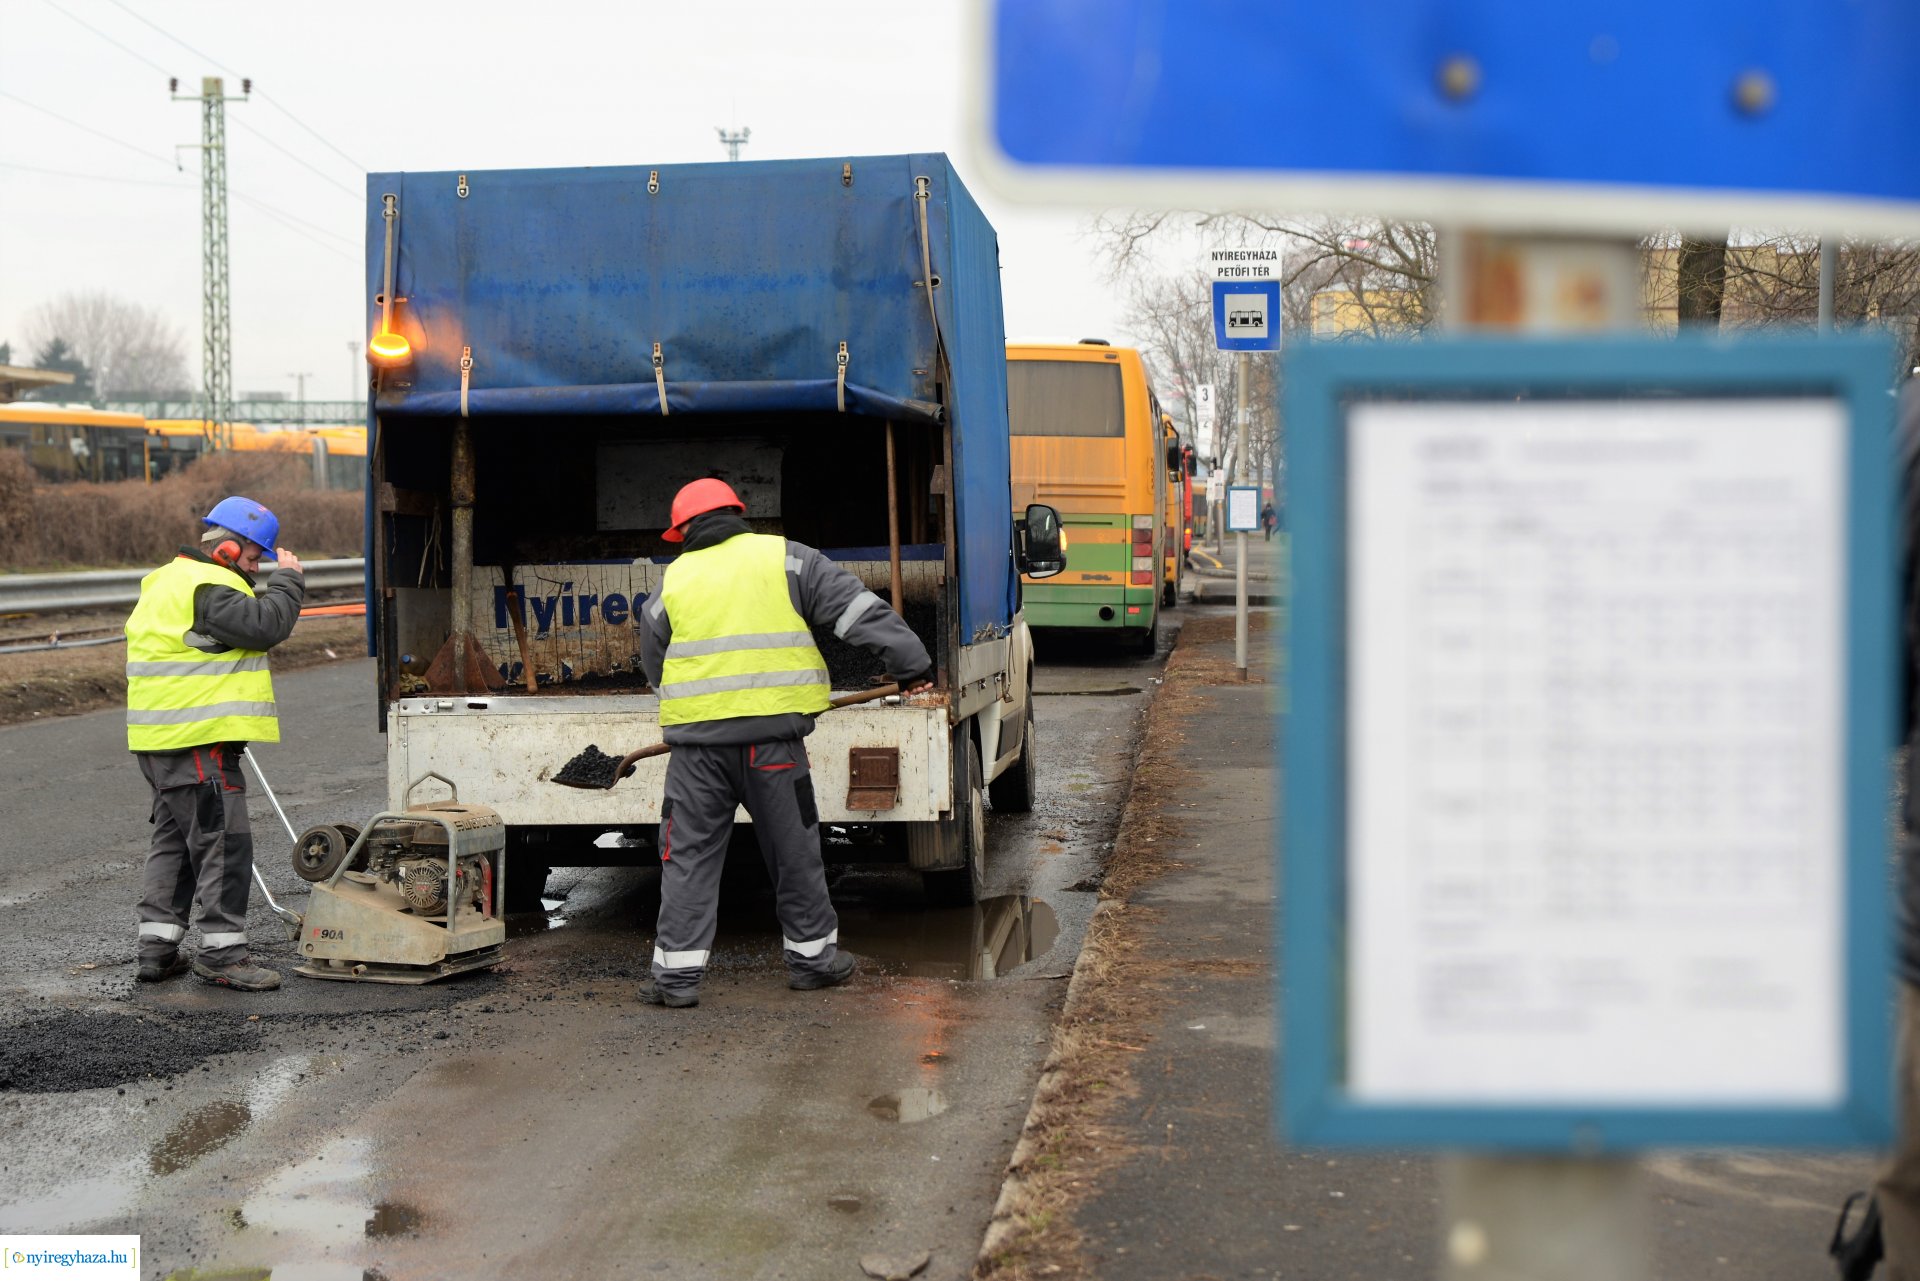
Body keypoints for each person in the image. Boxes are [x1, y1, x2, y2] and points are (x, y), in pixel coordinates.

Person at [637, 478, 933, 1009]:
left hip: (698, 755)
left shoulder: (672, 583)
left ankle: (675, 980)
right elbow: (857, 612)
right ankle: (813, 962)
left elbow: (657, 668)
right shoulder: (789, 560)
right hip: (774, 748)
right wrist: (908, 666)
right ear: (738, 513)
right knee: (794, 852)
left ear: (681, 531)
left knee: (687, 857)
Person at [125, 496, 304, 992]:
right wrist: (289, 579)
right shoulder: (210, 584)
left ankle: (156, 949)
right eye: (253, 558)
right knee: (224, 844)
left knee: (176, 843)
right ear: (227, 546)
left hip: (158, 741)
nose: (255, 569)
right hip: (198, 742)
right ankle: (223, 955)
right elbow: (267, 625)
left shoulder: (163, 580)